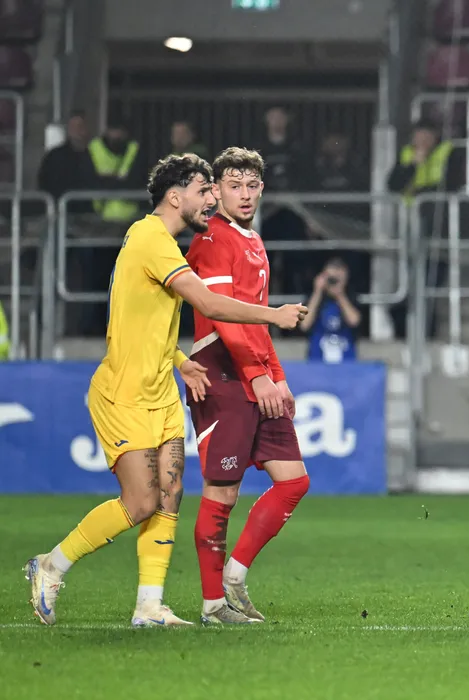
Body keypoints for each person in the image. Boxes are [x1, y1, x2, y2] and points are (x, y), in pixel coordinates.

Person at [24, 153, 307, 627]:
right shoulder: (150, 238)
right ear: (176, 197)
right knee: (141, 502)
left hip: (161, 390)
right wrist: (273, 315)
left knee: (171, 494)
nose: (211, 199)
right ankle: (52, 565)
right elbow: (210, 304)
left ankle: (150, 605)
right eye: (204, 190)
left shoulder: (168, 246)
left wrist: (180, 361)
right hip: (124, 392)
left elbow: (144, 319)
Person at [186, 147, 310, 625]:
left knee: (294, 481)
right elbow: (223, 315)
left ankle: (234, 577)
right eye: (233, 185)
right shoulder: (211, 239)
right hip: (221, 374)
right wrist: (258, 377)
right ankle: (213, 605)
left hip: (255, 373)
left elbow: (257, 321)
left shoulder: (253, 239)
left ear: (262, 189)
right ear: (215, 191)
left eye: (252, 185)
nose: (244, 194)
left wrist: (277, 377)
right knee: (222, 493)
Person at [299, 257, 362, 363]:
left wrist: (340, 295)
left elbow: (354, 321)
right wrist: (317, 292)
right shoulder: (314, 298)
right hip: (317, 361)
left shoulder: (350, 296)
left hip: (346, 361)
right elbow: (304, 325)